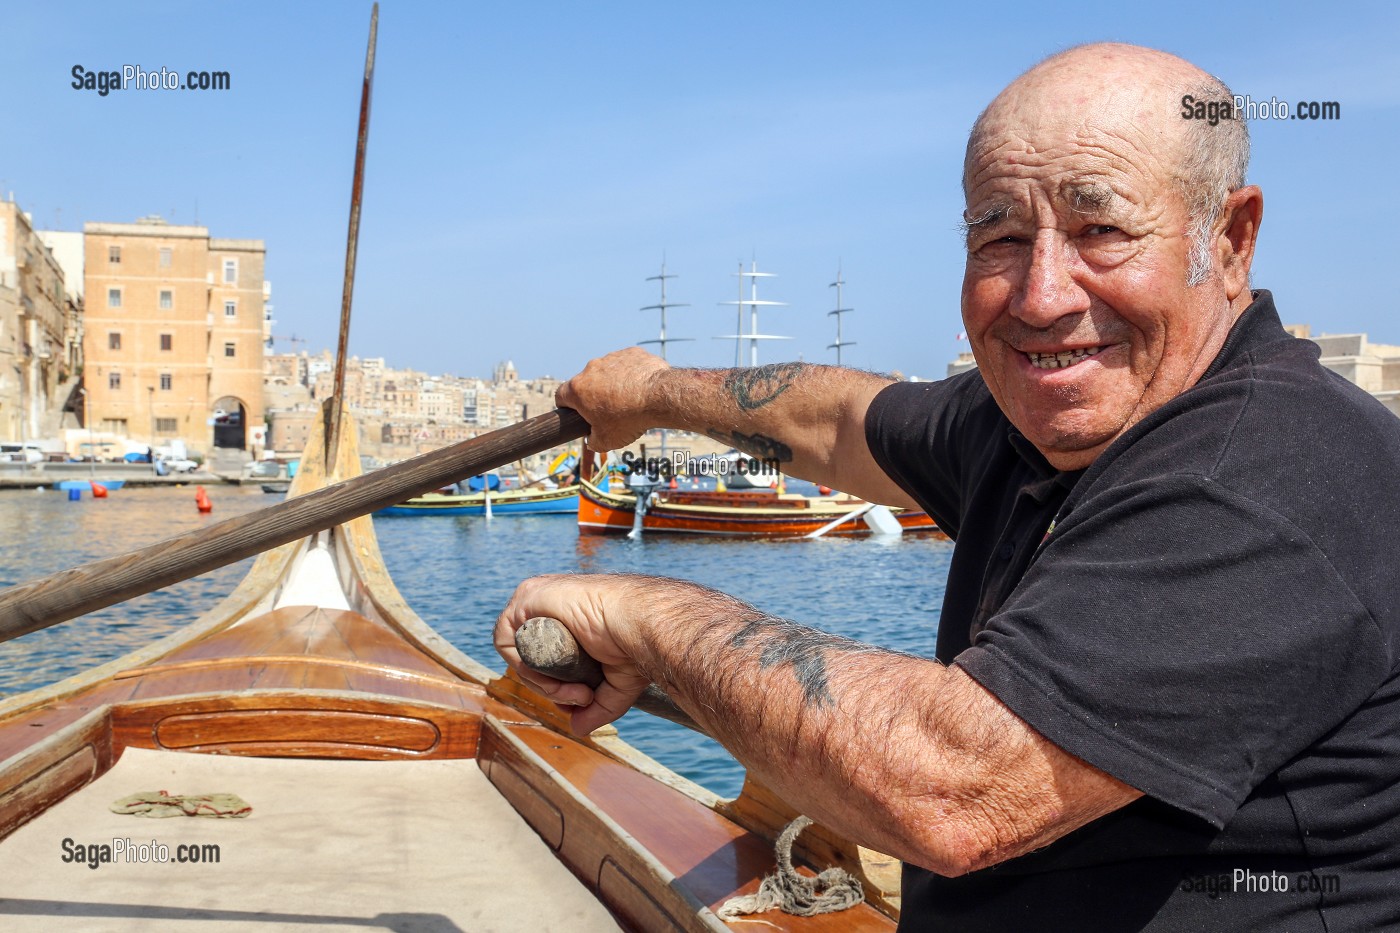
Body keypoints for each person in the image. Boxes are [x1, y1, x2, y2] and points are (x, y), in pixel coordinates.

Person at [494, 43, 1400, 930]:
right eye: (1001, 235)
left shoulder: (1263, 473)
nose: (1042, 295)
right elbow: (841, 422)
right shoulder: (1044, 420)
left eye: (1102, 229)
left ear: (1230, 240)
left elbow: (953, 790)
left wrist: (646, 620)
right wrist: (650, 395)